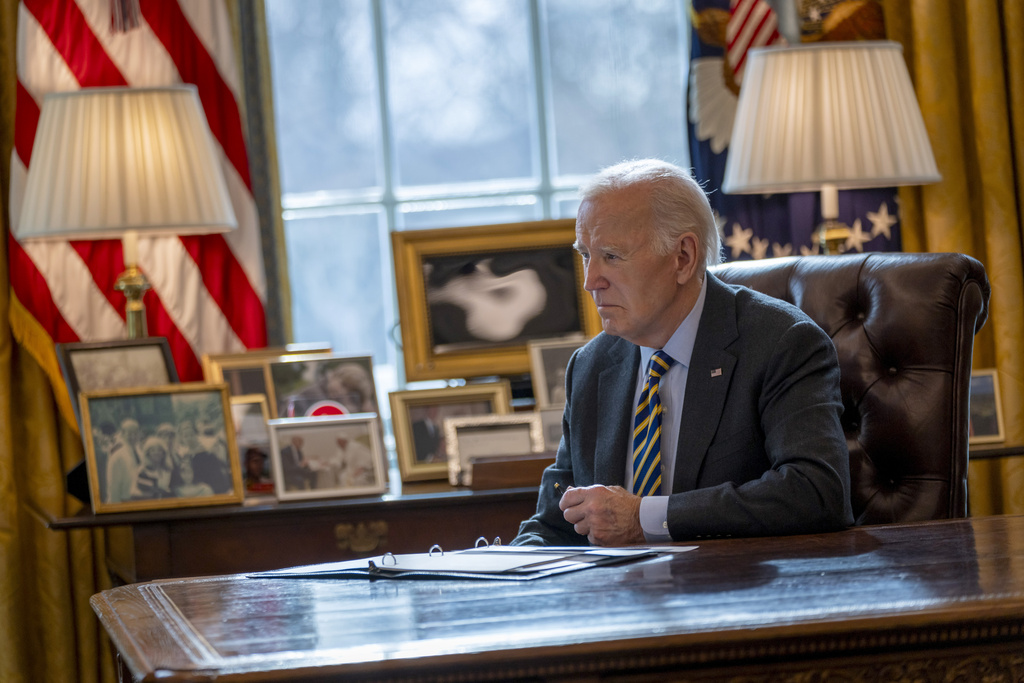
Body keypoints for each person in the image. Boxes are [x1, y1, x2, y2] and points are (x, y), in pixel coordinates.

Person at [512, 159, 853, 547]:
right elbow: (555, 523)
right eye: (586, 255)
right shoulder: (591, 366)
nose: (591, 281)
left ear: (683, 257)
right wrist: (502, 575)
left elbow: (818, 491)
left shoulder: (781, 343)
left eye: (611, 256)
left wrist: (645, 518)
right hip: (616, 600)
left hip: (735, 592)